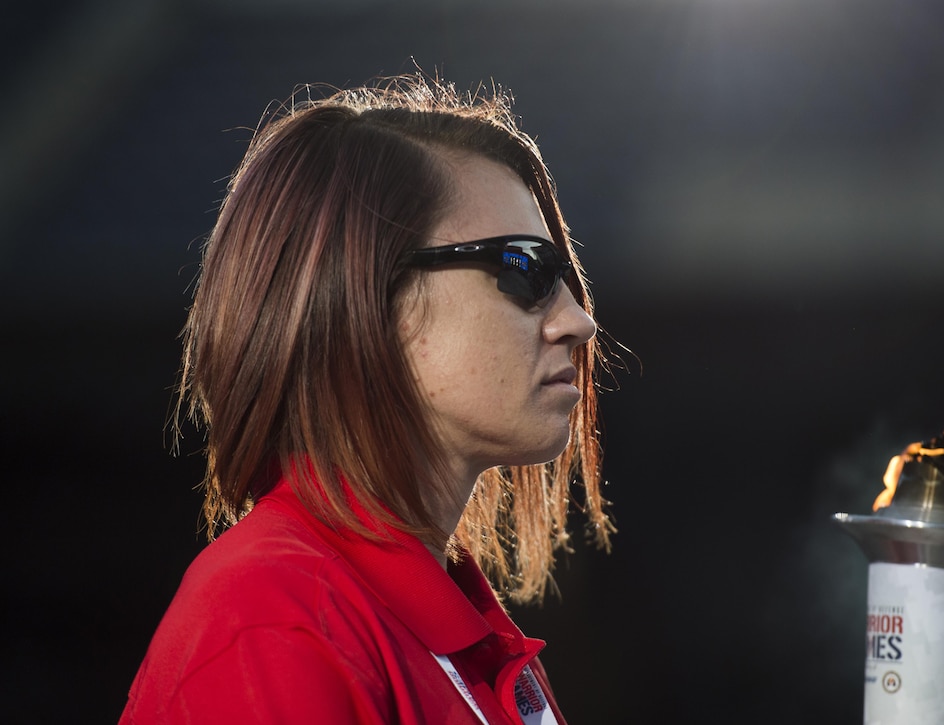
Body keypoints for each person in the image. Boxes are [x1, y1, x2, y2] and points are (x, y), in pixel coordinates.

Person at [120, 75, 615, 724]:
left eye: (569, 281)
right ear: (366, 292)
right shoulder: (275, 618)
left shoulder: (470, 648)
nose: (580, 322)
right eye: (526, 268)